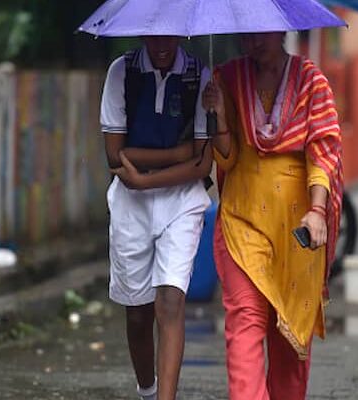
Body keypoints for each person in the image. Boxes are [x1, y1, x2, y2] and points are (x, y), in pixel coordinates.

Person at [201, 32, 343, 399]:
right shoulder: (227, 78)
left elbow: (323, 153)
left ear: (281, 29)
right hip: (241, 222)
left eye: (259, 33)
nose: (251, 41)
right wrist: (216, 115)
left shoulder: (312, 81)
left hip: (297, 229)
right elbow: (227, 157)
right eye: (244, 35)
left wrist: (317, 211)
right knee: (245, 322)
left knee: (290, 340)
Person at [100, 35, 213, 400]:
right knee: (137, 312)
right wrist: (181, 153)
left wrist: (146, 170)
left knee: (170, 300)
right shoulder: (122, 72)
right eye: (154, 34)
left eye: (170, 35)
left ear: (182, 34)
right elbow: (115, 156)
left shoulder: (200, 77)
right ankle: (147, 391)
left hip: (182, 202)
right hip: (130, 203)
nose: (162, 43)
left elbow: (203, 163)